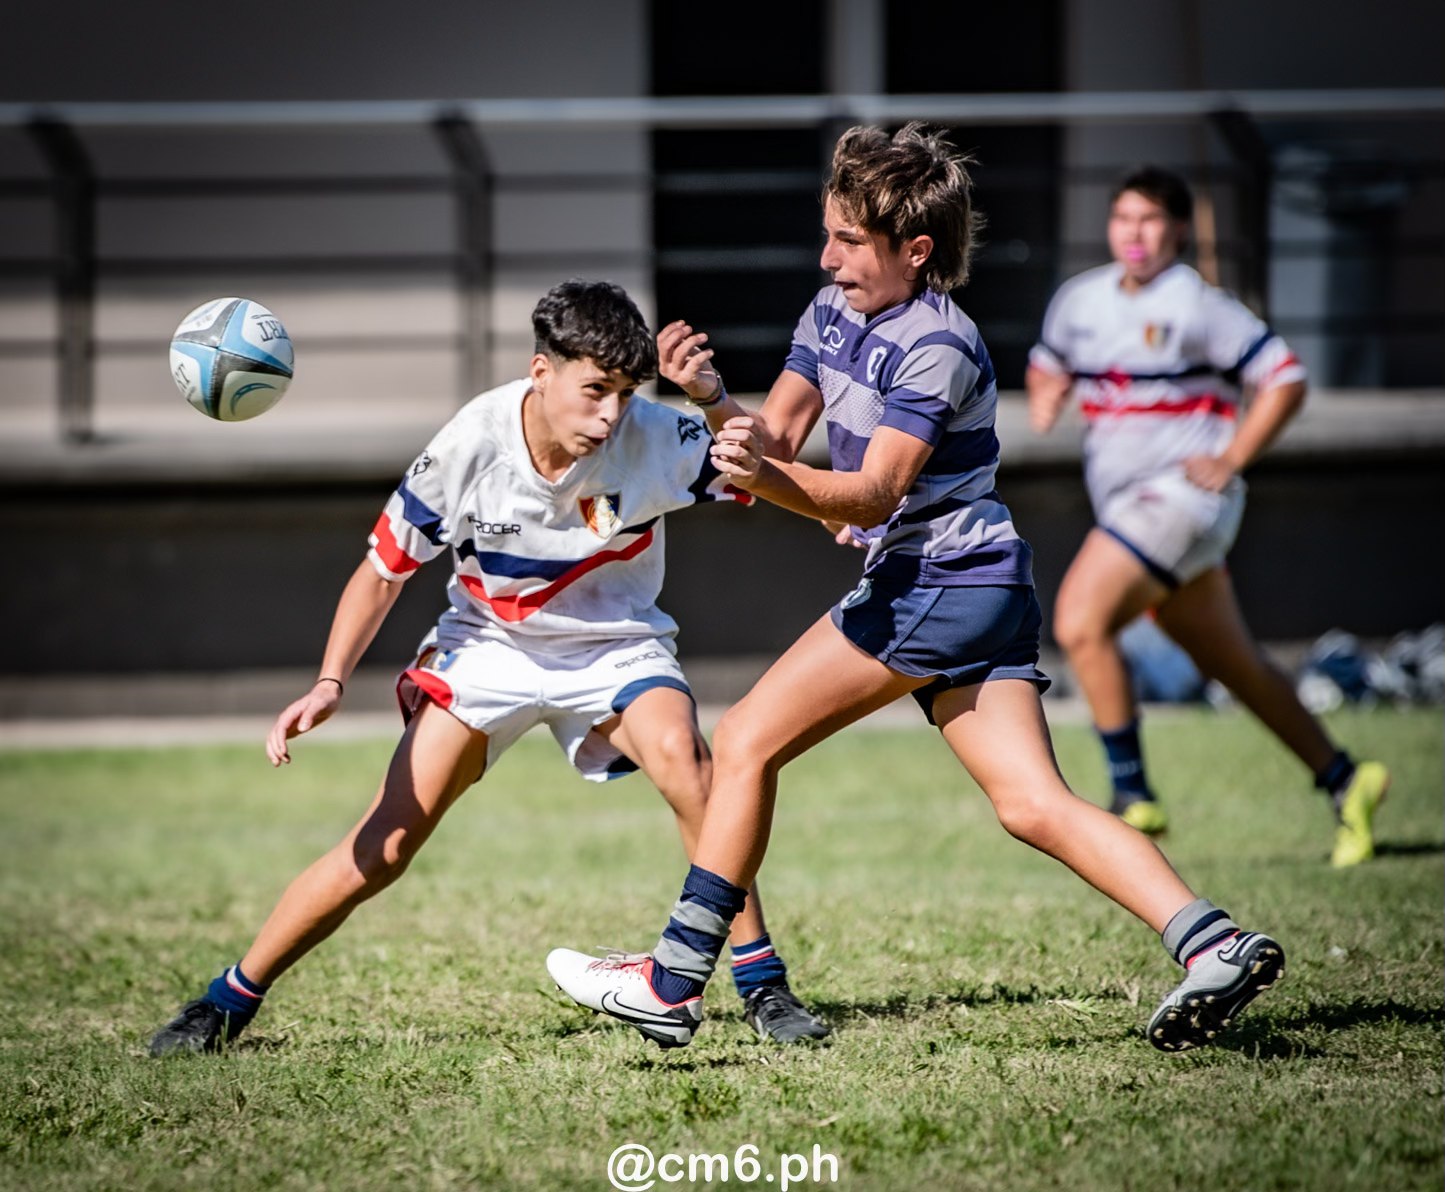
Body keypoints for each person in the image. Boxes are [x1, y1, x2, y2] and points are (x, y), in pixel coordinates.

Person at [547, 126, 1284, 1054]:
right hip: (973, 583)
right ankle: (1212, 942)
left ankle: (670, 980)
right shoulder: (827, 313)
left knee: (740, 741)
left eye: (848, 242)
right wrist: (709, 400)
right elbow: (772, 439)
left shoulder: (940, 345)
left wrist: (766, 481)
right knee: (1030, 805)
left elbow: (871, 492)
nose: (828, 258)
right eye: (827, 236)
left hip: (936, 579)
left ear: (915, 251)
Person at [148, 280, 829, 1055]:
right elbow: (382, 572)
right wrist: (330, 681)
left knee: (691, 767)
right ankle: (227, 1000)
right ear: (541, 373)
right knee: (385, 846)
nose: (608, 416)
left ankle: (762, 982)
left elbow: (764, 470)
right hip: (487, 650)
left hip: (615, 645)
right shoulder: (470, 442)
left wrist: (710, 400)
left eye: (622, 395)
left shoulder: (651, 432)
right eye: (593, 391)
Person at [1025, 166, 1388, 865]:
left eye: (1151, 221)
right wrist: (1046, 392)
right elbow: (1048, 363)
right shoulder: (1079, 300)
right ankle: (1347, 779)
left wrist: (1232, 456)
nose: (1135, 234)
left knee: (1077, 620)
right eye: (1123, 219)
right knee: (1236, 666)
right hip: (1137, 508)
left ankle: (1131, 792)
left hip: (1180, 501)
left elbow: (1283, 378)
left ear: (1179, 231)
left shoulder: (1196, 303)